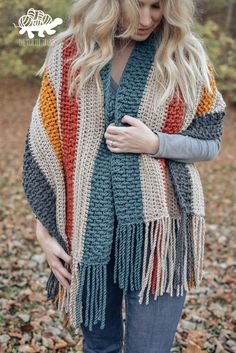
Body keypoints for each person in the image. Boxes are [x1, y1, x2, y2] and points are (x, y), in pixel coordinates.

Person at [22, 0, 226, 352]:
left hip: (159, 233)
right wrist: (44, 229)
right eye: (137, 6)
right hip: (86, 230)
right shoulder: (68, 52)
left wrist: (155, 142)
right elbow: (46, 148)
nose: (147, 19)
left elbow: (210, 142)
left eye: (157, 7)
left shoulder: (184, 55)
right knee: (99, 347)